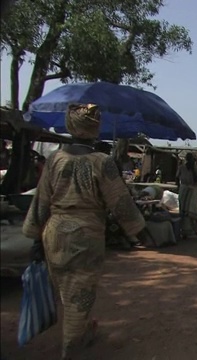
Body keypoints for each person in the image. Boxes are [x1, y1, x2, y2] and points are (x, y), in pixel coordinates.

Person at [22, 104, 146, 360]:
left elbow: (40, 202)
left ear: (70, 125)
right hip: (85, 237)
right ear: (95, 128)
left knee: (69, 295)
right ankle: (71, 349)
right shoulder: (102, 162)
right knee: (80, 297)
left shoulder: (55, 159)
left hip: (54, 235)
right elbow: (120, 202)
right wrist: (140, 232)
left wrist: (35, 236)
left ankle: (85, 332)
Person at [176, 152, 197, 240]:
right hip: (192, 190)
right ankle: (195, 232)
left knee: (184, 211)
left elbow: (177, 177)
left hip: (184, 190)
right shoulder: (195, 168)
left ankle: (185, 233)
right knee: (193, 212)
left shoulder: (182, 167)